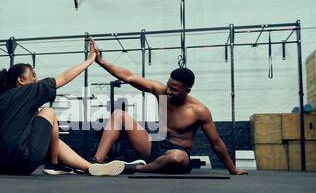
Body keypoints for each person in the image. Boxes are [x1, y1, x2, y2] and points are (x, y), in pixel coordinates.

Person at [0, 39, 125, 176]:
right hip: (21, 162)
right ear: (21, 80)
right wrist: (89, 61)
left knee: (50, 134)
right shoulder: (29, 90)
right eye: (33, 75)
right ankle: (55, 163)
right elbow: (63, 78)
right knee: (48, 111)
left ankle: (90, 167)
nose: (36, 79)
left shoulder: (0, 100)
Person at [91, 39, 248, 175]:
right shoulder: (161, 92)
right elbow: (129, 77)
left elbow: (216, 143)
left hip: (177, 154)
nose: (169, 91)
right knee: (119, 114)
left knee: (175, 158)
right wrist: (101, 61)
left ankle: (134, 168)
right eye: (168, 86)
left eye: (174, 89)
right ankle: (95, 164)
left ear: (187, 91)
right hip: (154, 146)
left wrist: (232, 169)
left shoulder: (199, 111)